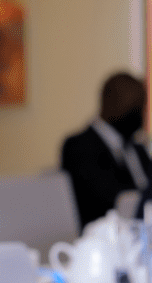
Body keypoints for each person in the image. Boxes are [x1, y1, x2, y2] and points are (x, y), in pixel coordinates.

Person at [61, 72, 152, 228]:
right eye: (131, 106)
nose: (138, 114)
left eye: (140, 107)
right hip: (104, 236)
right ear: (110, 103)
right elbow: (102, 200)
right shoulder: (80, 147)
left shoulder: (137, 149)